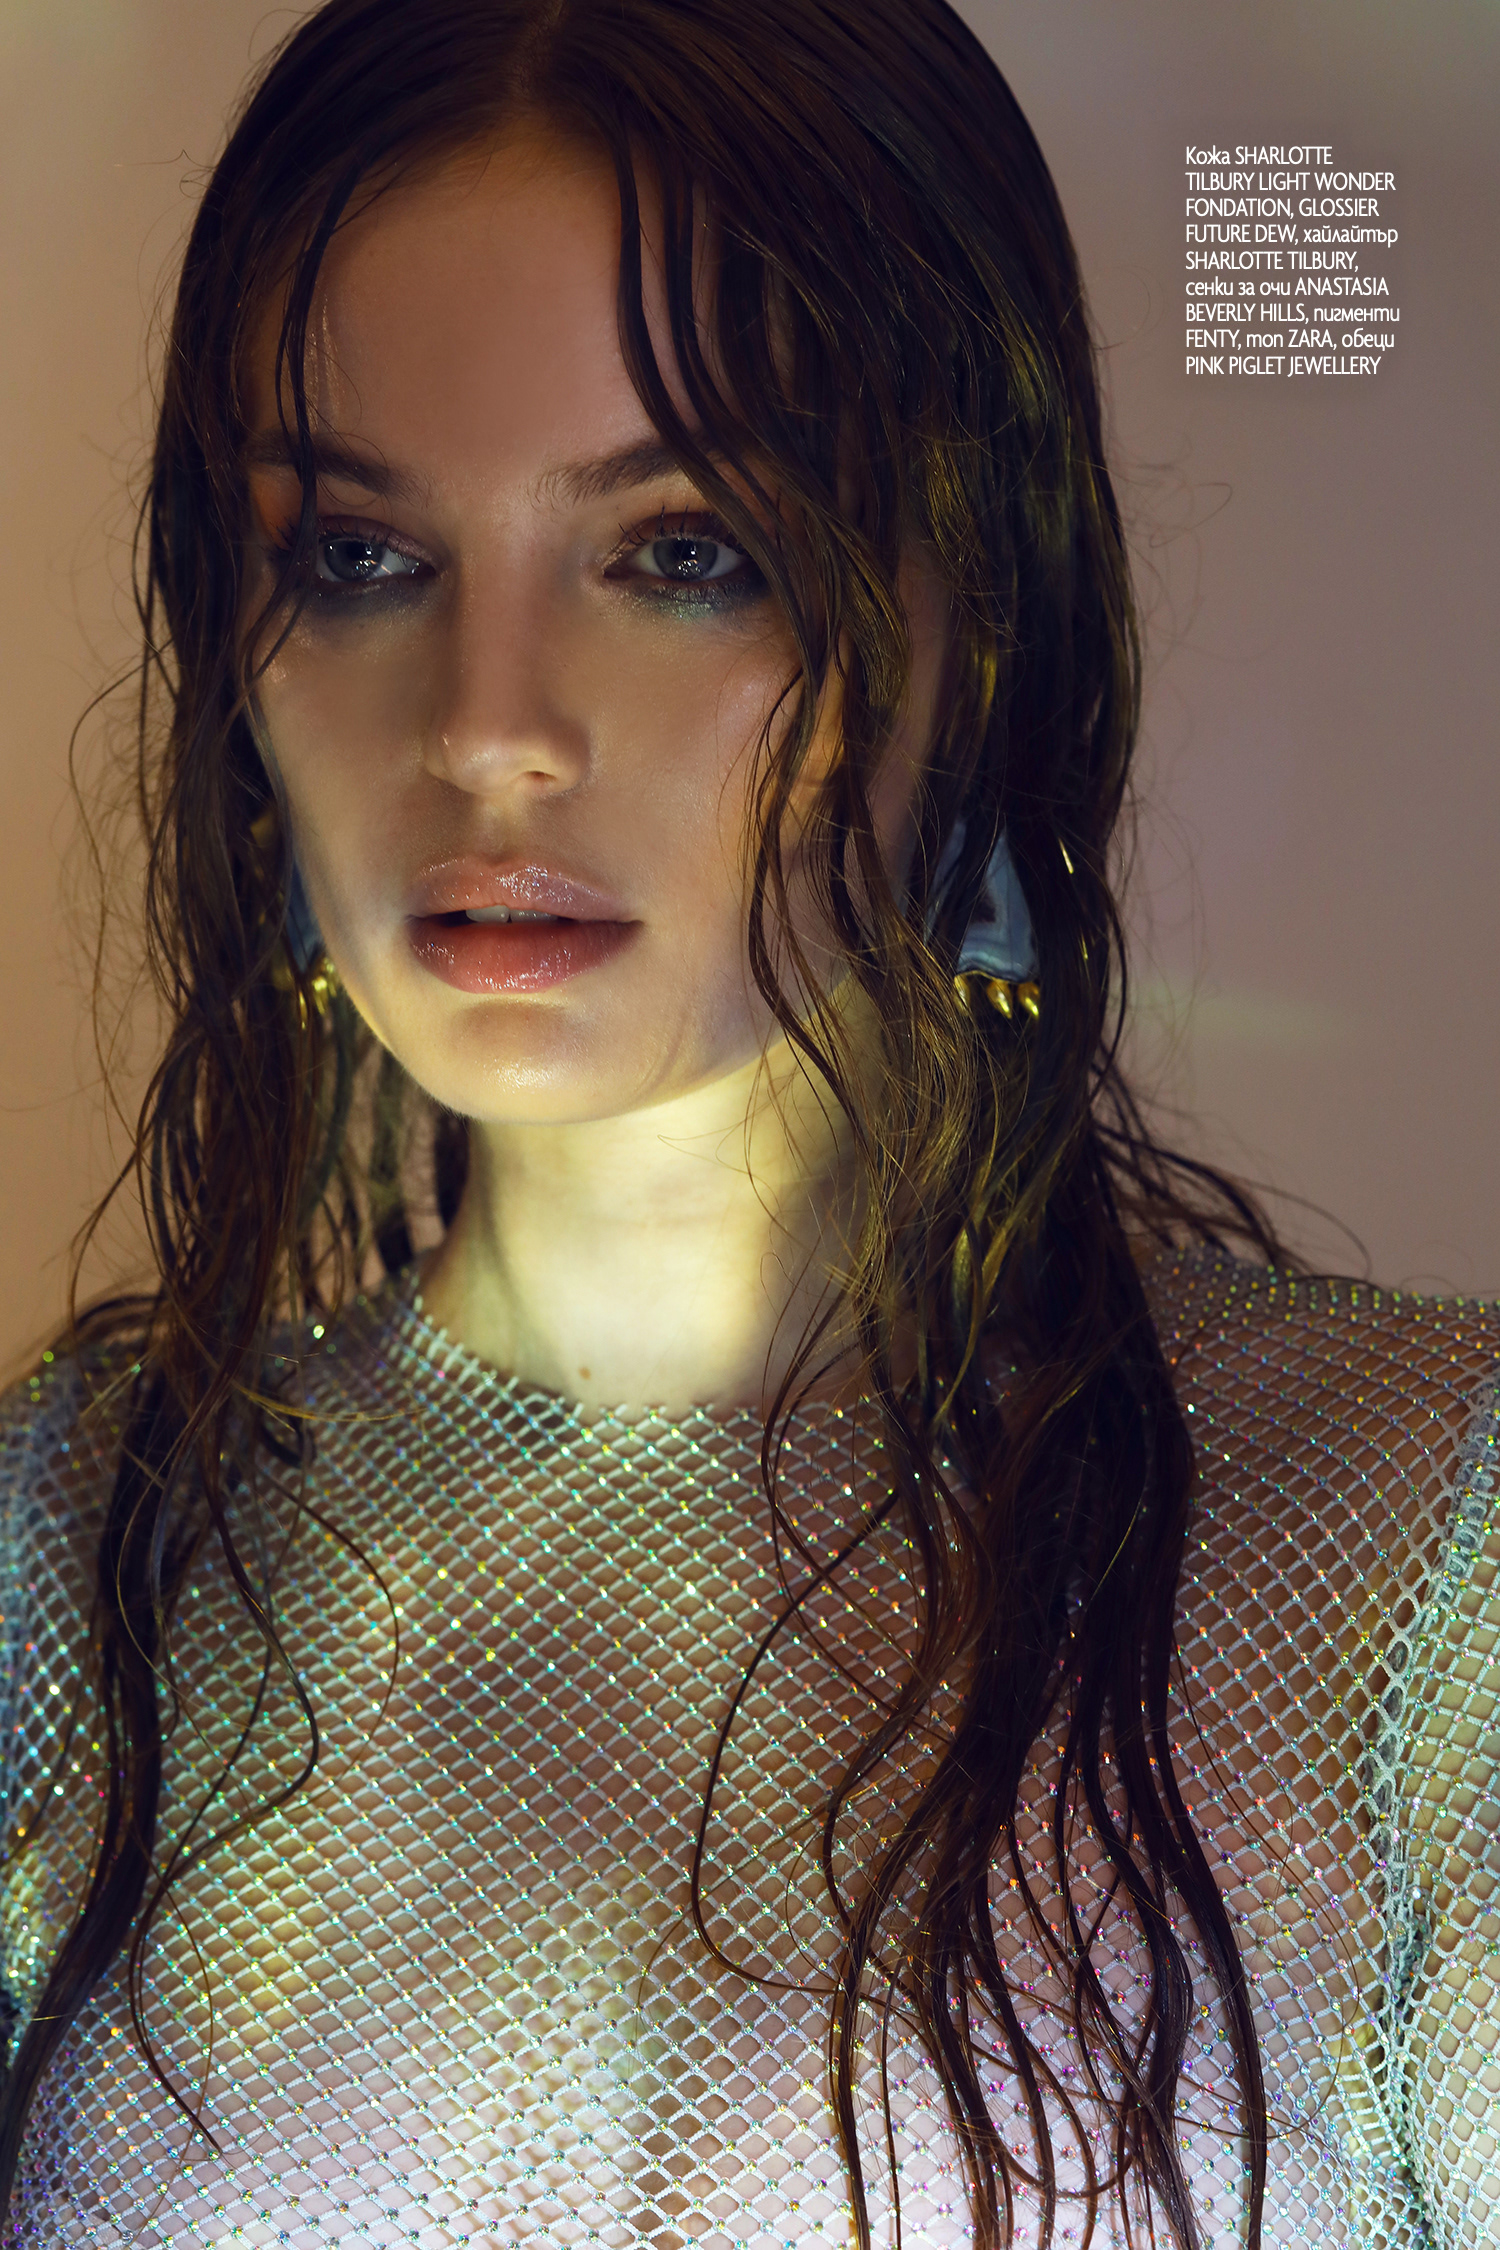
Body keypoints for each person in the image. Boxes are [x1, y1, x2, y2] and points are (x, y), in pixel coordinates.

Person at [1, 0, 1495, 2242]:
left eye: (685, 548)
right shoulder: (60, 1564)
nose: (490, 730)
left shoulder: (1423, 1561)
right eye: (359, 556)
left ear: (980, 626)